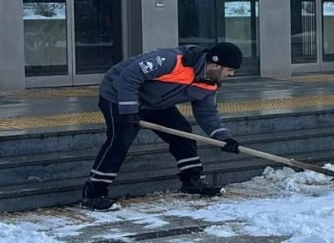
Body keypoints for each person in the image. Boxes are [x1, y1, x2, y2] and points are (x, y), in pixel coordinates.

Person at [81, 42, 244, 211]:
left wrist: (223, 137)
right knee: (119, 141)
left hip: (156, 104)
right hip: (118, 95)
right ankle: (93, 195)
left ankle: (192, 183)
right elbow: (129, 76)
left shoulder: (209, 82)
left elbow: (207, 113)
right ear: (216, 64)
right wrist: (129, 110)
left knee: (183, 133)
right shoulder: (173, 60)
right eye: (229, 70)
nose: (231, 74)